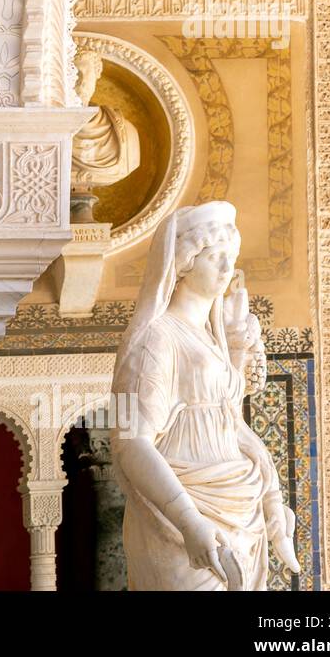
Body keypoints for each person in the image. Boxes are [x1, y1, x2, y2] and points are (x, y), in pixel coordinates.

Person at [110, 201, 300, 590]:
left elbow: (227, 417)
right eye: (215, 257)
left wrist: (235, 345)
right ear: (183, 261)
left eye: (231, 257)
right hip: (184, 519)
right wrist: (189, 521)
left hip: (239, 507)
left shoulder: (209, 338)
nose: (227, 269)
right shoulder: (154, 337)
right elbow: (131, 443)